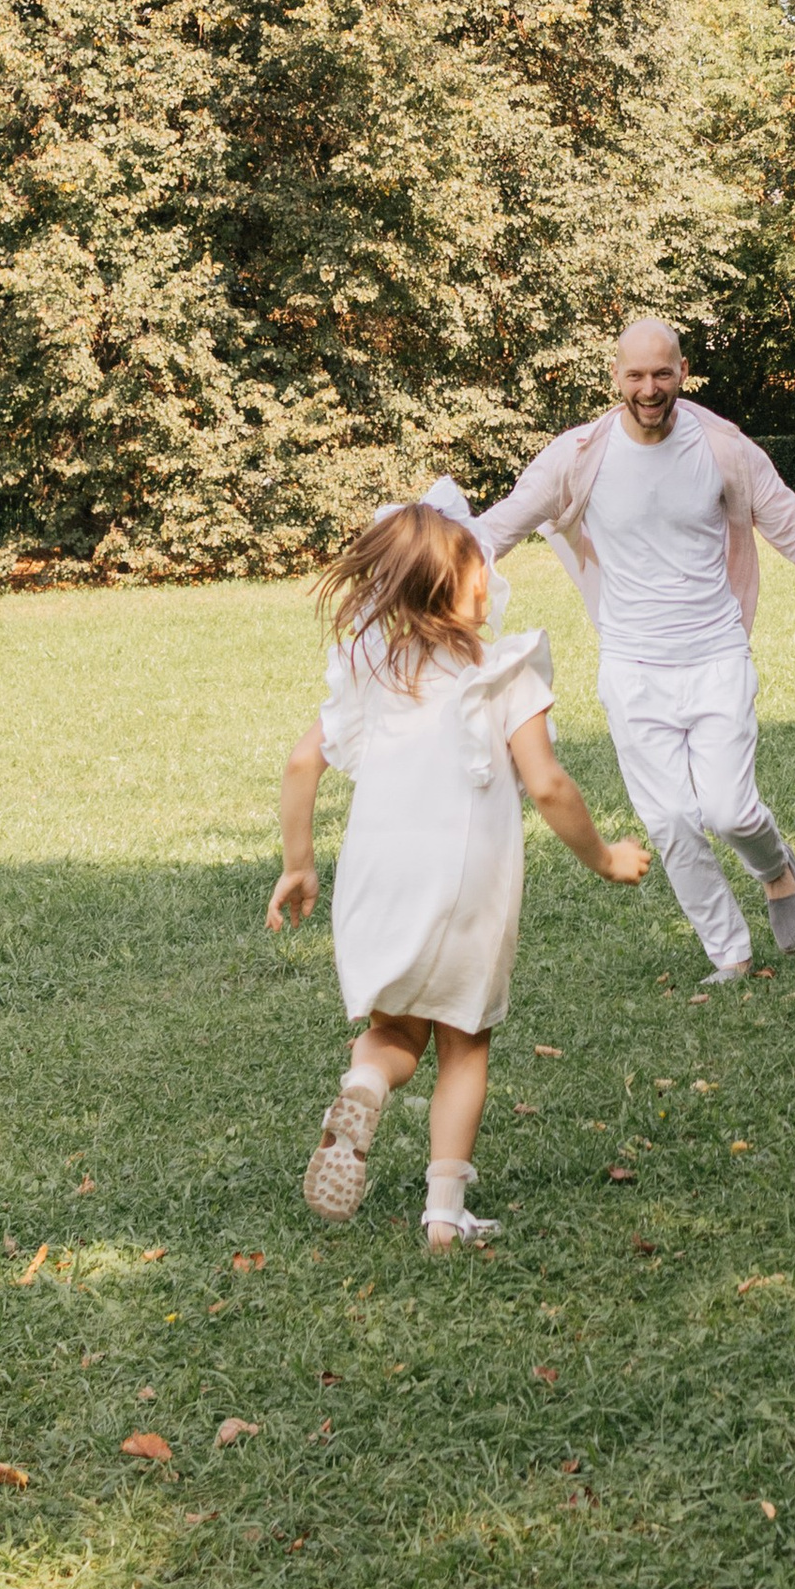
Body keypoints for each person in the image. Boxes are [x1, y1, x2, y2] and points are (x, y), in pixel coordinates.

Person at [267, 486, 648, 1245]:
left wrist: (300, 865)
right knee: (464, 1041)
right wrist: (605, 857)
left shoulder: (370, 668)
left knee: (394, 1032)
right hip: (464, 880)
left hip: (379, 875)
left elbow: (301, 763)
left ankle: (365, 1083)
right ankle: (444, 1213)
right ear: (463, 582)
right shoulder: (505, 670)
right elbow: (548, 784)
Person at [471, 317, 795, 979]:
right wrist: (411, 569)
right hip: (632, 668)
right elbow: (497, 527)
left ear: (683, 372)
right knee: (670, 822)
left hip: (715, 655)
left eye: (662, 373)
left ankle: (776, 869)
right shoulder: (578, 456)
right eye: (635, 375)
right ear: (615, 378)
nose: (650, 387)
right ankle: (731, 954)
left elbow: (793, 528)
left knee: (728, 807)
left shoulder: (723, 449)